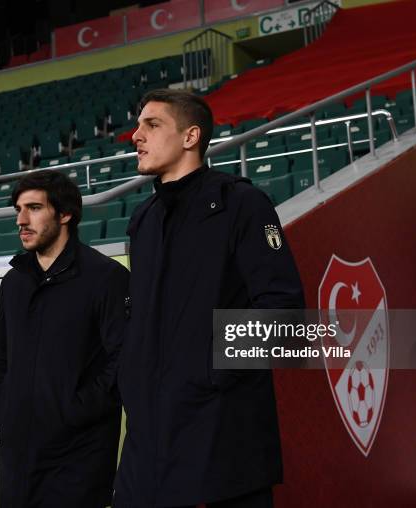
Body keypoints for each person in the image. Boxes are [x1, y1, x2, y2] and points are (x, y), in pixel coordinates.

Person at [115, 89, 305, 508]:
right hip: (149, 442)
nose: (136, 135)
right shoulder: (142, 220)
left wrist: (210, 370)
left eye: (152, 124)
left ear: (190, 137)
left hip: (222, 433)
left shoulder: (242, 203)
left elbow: (285, 310)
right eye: (138, 124)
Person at [0, 171, 129, 508]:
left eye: (34, 208)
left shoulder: (107, 278)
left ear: (65, 214)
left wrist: (73, 410)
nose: (21, 220)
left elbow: (124, 359)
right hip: (18, 452)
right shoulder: (14, 281)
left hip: (78, 456)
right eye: (18, 209)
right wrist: (0, 407)